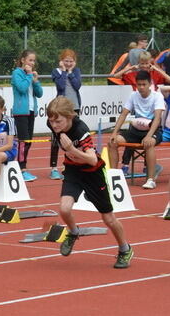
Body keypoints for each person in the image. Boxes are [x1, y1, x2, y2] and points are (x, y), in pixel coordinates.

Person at [45, 97, 134, 268]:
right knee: (64, 208)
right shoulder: (53, 124)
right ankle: (73, 232)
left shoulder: (81, 130)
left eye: (58, 121)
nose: (54, 125)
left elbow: (93, 160)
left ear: (69, 117)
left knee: (108, 217)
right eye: (51, 120)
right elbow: (55, 125)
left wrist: (71, 149)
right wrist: (70, 153)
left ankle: (125, 248)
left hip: (92, 174)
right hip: (72, 170)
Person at [108, 70, 166, 190]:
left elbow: (157, 119)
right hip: (135, 131)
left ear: (150, 84)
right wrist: (114, 132)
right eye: (138, 84)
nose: (141, 87)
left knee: (149, 144)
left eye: (144, 84)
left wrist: (149, 135)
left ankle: (150, 179)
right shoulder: (133, 95)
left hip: (153, 130)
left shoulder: (157, 96)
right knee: (112, 142)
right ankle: (113, 176)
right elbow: (123, 114)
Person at [11, 49, 43, 181]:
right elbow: (22, 88)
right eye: (30, 60)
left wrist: (35, 81)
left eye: (33, 60)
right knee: (23, 141)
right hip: (20, 112)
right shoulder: (17, 73)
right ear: (23, 60)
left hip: (31, 111)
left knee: (28, 141)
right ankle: (22, 168)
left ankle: (21, 166)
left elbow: (39, 93)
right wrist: (29, 75)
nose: (32, 63)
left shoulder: (31, 75)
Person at [49, 49, 81, 180]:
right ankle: (54, 168)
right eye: (66, 61)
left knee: (74, 138)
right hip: (60, 109)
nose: (68, 63)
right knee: (57, 139)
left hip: (75, 108)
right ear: (61, 60)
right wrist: (63, 71)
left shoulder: (76, 71)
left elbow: (77, 85)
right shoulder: (56, 71)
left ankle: (71, 166)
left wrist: (70, 72)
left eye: (71, 61)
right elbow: (60, 86)